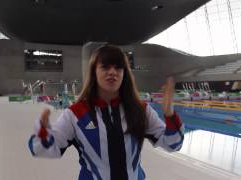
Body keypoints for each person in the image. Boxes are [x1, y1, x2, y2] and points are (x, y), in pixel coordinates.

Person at [28, 45, 184, 180]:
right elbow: (43, 149)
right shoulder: (76, 114)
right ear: (94, 72)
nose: (112, 72)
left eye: (118, 67)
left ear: (124, 73)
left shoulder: (140, 110)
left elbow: (173, 144)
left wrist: (169, 114)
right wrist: (43, 133)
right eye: (105, 67)